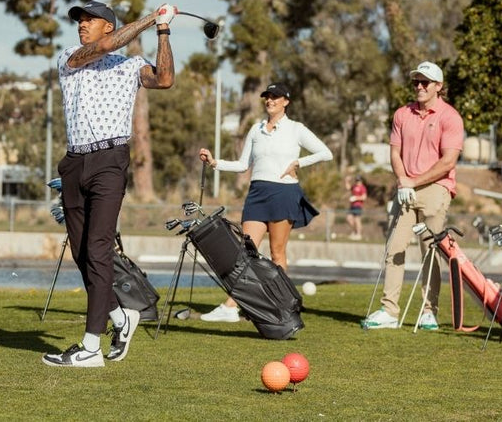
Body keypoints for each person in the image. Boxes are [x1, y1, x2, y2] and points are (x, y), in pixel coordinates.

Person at [41, 0, 177, 368]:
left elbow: (164, 79)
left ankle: (90, 347)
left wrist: (163, 30)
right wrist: (152, 17)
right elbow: (103, 48)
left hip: (109, 162)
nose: (82, 25)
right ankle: (121, 317)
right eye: (79, 20)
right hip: (74, 162)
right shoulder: (71, 56)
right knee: (82, 253)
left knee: (99, 249)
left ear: (109, 24)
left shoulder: (132, 66)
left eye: (90, 20)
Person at [197, 83, 332, 322]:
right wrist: (215, 163)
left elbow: (325, 152)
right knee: (244, 253)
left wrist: (298, 163)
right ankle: (231, 307)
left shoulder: (295, 129)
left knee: (277, 252)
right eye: (267, 97)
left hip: (284, 193)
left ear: (286, 101)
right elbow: (242, 165)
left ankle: (283, 307)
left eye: (275, 97)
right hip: (257, 193)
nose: (270, 100)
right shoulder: (256, 129)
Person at [361, 61, 463, 331]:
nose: (419, 87)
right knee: (394, 247)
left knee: (430, 250)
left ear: (438, 87)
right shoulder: (402, 114)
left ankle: (429, 310)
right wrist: (402, 180)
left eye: (425, 82)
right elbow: (395, 152)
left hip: (436, 187)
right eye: (416, 82)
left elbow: (448, 162)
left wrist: (413, 181)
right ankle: (390, 311)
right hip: (406, 187)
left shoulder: (450, 117)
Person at [346, 176, 367, 240]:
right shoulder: (354, 186)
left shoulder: (362, 188)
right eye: (357, 181)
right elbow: (348, 188)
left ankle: (358, 234)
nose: (357, 182)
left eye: (359, 181)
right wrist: (346, 181)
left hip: (358, 206)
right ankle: (355, 231)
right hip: (352, 206)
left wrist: (356, 198)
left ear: (361, 181)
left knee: (357, 220)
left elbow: (364, 197)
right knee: (349, 218)